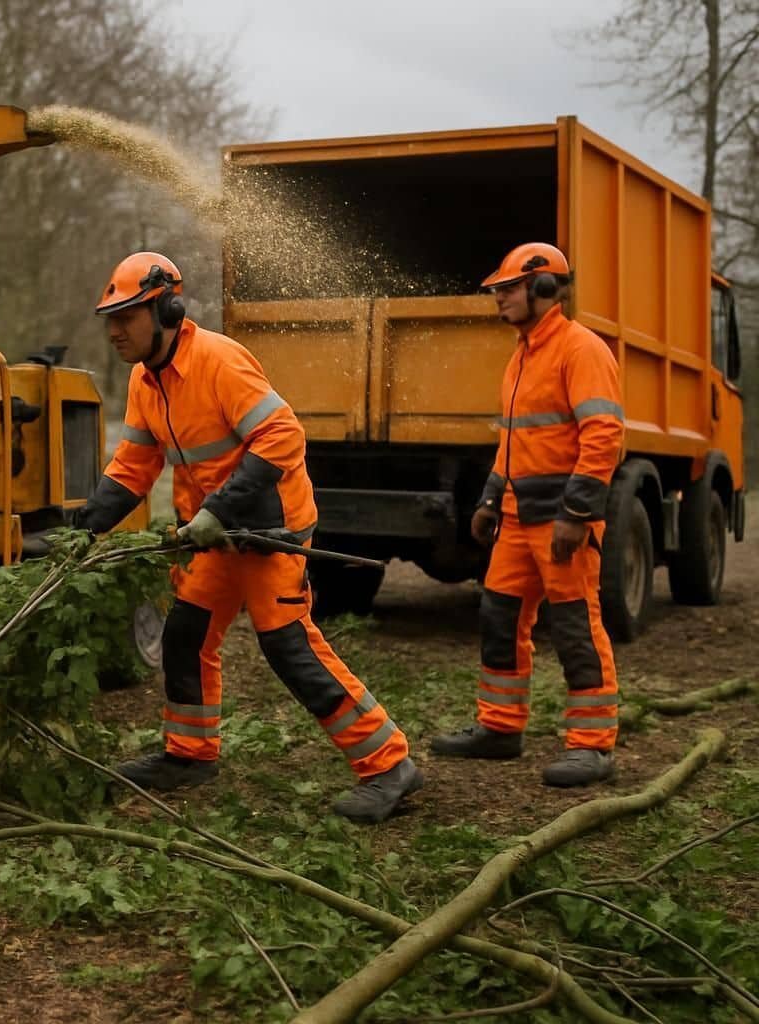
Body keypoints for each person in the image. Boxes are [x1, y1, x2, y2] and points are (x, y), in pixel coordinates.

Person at [74, 252, 422, 824]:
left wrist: (221, 510)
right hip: (213, 533)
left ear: (166, 308)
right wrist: (85, 526)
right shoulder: (145, 380)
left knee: (289, 646)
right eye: (109, 319)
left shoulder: (217, 360)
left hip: (270, 527)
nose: (114, 330)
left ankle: (388, 765)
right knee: (185, 635)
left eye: (127, 316)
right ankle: (189, 755)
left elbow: (282, 435)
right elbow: (133, 466)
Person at [431, 243, 623, 786]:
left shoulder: (580, 349)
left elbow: (603, 434)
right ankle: (500, 728)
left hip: (560, 520)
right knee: (499, 618)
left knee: (574, 629)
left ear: (544, 288)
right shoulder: (522, 354)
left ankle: (591, 746)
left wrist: (576, 513)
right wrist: (491, 498)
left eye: (508, 289)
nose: (499, 300)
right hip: (516, 519)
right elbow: (514, 441)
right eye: (496, 291)